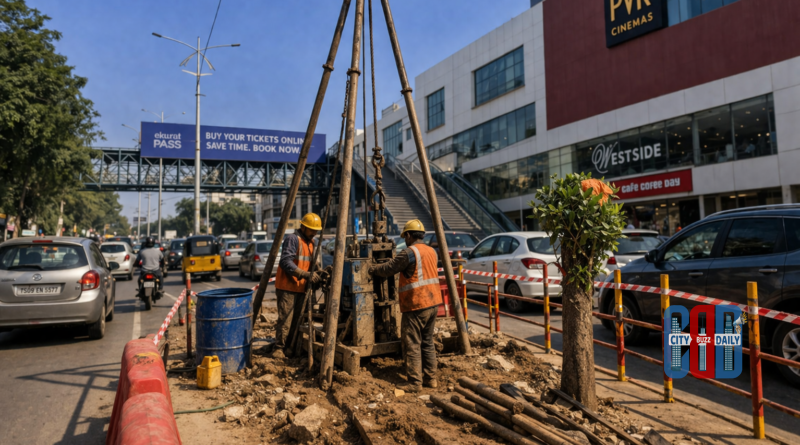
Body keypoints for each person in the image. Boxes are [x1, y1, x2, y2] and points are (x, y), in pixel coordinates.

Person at [369, 219, 442, 393]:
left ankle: (415, 382)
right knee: (427, 342)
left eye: (405, 236)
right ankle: (431, 379)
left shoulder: (409, 253)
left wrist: (371, 269)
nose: (405, 239)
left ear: (409, 235)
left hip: (416, 304)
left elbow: (388, 269)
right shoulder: (432, 251)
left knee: (413, 343)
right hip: (433, 303)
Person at [273, 213, 323, 359]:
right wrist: (305, 274)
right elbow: (285, 262)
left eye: (316, 231)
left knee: (299, 319)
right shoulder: (293, 239)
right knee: (285, 320)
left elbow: (313, 264)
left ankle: (291, 348)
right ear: (303, 227)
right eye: (311, 230)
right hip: (287, 287)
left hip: (302, 288)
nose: (314, 233)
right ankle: (279, 349)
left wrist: (319, 273)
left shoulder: (312, 243)